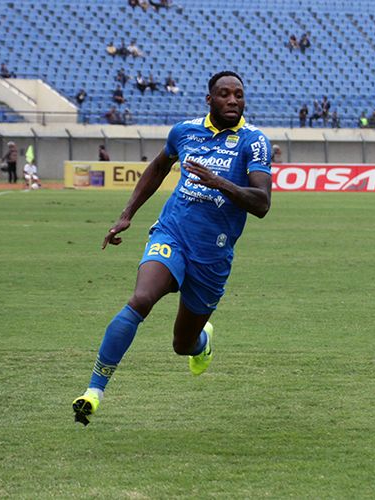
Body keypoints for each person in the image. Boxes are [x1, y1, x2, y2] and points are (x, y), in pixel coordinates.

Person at [71, 71, 272, 425]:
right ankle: (93, 391)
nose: (233, 101)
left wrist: (218, 181)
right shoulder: (183, 132)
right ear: (209, 100)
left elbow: (261, 203)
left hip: (213, 255)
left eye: (238, 95)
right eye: (224, 95)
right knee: (141, 300)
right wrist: (126, 214)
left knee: (183, 344)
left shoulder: (253, 142)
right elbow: (158, 167)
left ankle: (201, 343)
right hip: (171, 234)